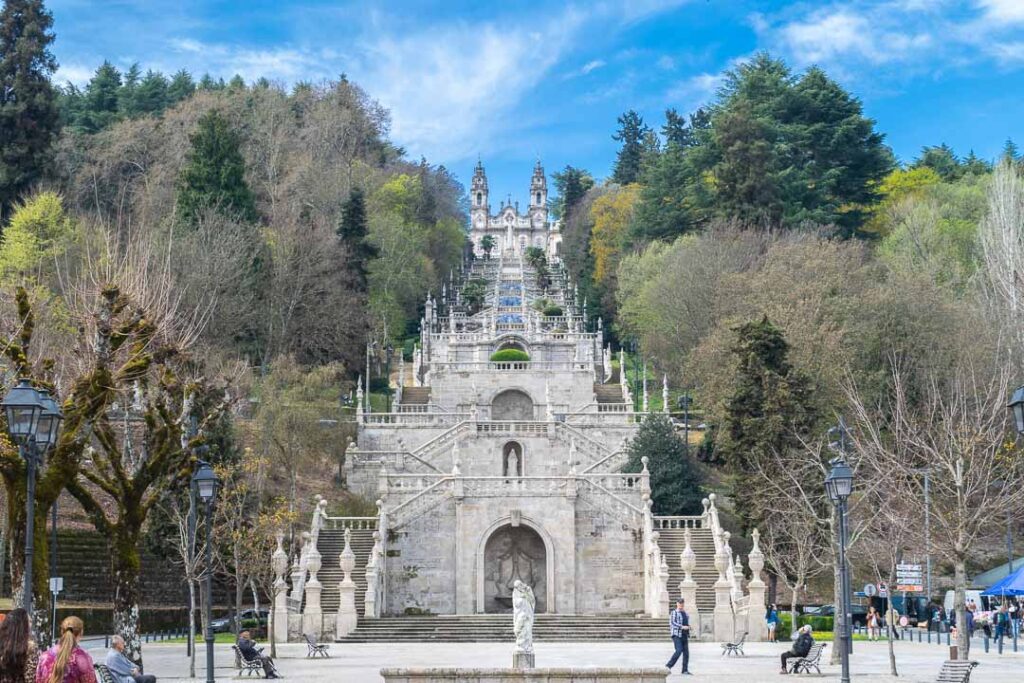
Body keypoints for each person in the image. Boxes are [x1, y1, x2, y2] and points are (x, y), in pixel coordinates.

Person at [35, 616, 96, 683]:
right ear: (81, 633)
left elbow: (38, 680)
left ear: (62, 631)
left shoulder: (45, 656)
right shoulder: (83, 658)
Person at [0, 608, 38, 683]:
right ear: (22, 625)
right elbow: (30, 678)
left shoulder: (2, 644)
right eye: (29, 621)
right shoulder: (29, 648)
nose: (31, 625)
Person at [665, 599, 692, 675]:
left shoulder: (685, 613)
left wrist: (688, 627)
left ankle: (684, 670)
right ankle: (668, 666)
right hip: (677, 634)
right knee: (679, 650)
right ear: (677, 604)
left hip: (684, 635)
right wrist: (682, 627)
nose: (681, 605)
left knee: (686, 653)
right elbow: (672, 623)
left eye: (682, 603)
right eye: (679, 603)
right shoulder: (674, 612)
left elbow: (686, 622)